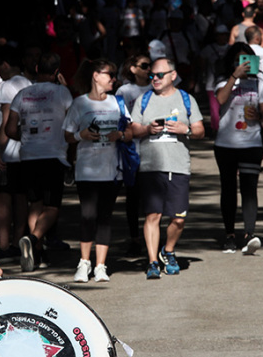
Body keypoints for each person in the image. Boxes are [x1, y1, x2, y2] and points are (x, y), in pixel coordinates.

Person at [129, 57, 204, 279]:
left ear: (173, 75)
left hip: (178, 166)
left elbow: (200, 130)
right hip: (150, 167)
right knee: (153, 215)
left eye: (159, 75)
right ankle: (152, 261)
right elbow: (132, 129)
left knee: (178, 218)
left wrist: (185, 129)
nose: (155, 79)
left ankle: (167, 251)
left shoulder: (186, 99)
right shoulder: (143, 99)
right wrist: (146, 130)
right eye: (152, 75)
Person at [61, 59, 132, 282]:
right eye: (109, 74)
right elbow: (66, 135)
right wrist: (81, 135)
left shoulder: (117, 102)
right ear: (95, 75)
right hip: (86, 170)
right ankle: (84, 263)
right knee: (87, 215)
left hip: (112, 169)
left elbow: (130, 132)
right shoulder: (79, 103)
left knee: (105, 217)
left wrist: (119, 135)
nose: (113, 78)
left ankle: (101, 265)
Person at [4, 53, 73, 270]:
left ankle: (37, 253)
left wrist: (26, 138)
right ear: (56, 72)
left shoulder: (23, 94)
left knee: (35, 204)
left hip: (29, 156)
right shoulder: (63, 92)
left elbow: (10, 129)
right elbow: (73, 122)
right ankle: (33, 240)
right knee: (52, 206)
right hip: (53, 155)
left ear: (35, 68)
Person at [214, 43, 263, 255]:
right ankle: (229, 235)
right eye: (240, 60)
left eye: (247, 60)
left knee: (249, 189)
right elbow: (220, 99)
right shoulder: (222, 81)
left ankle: (249, 234)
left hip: (252, 143)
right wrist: (234, 76)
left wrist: (259, 115)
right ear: (232, 62)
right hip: (226, 145)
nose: (244, 64)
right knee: (228, 189)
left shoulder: (259, 83)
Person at [0, 45, 32, 263]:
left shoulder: (7, 87)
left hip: (9, 152)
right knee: (21, 197)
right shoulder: (28, 83)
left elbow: (5, 122)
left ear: (4, 64)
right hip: (26, 151)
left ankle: (4, 245)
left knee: (3, 198)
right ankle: (17, 240)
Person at [116, 54, 153, 256]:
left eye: (150, 66)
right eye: (144, 66)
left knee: (152, 197)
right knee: (133, 197)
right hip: (131, 149)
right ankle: (134, 238)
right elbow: (120, 116)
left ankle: (152, 236)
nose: (149, 70)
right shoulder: (124, 90)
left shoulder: (155, 88)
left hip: (152, 148)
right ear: (133, 69)